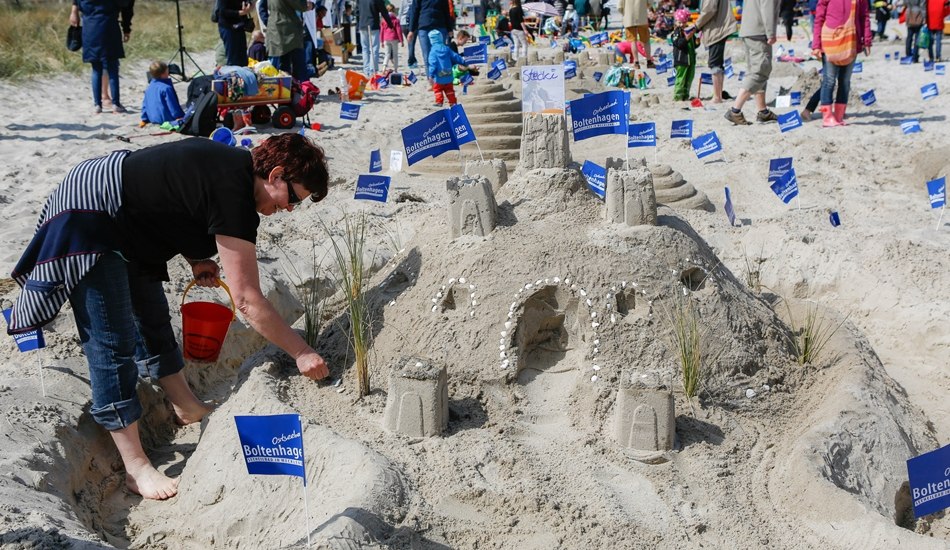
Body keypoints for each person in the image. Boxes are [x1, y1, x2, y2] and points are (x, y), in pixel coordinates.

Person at [6, 134, 331, 501]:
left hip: (130, 220)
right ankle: (135, 467)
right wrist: (302, 351)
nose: (289, 209)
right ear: (274, 175)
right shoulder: (234, 191)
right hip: (91, 215)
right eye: (293, 199)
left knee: (152, 315)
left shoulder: (232, 172)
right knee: (111, 341)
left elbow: (174, 201)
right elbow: (247, 300)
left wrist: (196, 259)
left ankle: (186, 405)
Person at [812, 0, 871, 126]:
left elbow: (864, 17)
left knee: (845, 81)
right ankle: (827, 117)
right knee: (829, 80)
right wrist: (816, 45)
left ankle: (839, 116)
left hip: (851, 42)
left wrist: (867, 40)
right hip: (830, 41)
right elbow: (819, 17)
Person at [70, 0, 133, 114]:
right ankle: (115, 104)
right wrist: (126, 29)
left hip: (90, 28)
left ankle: (97, 105)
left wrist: (74, 11)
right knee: (113, 69)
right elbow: (126, 7)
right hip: (110, 27)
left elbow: (77, 4)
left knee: (96, 69)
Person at [724, 0, 779, 125]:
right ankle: (735, 111)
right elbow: (767, 9)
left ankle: (763, 111)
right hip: (759, 31)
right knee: (760, 71)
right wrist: (771, 33)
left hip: (749, 29)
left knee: (755, 71)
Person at [695, 0, 738, 103]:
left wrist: (696, 26)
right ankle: (718, 94)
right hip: (720, 27)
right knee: (718, 63)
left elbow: (710, 10)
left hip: (717, 29)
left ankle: (717, 97)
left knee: (714, 64)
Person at [267, 0, 314, 81]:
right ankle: (303, 88)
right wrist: (311, 5)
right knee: (299, 64)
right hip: (289, 31)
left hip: (275, 29)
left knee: (283, 65)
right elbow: (301, 5)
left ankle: (289, 89)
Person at [409, 0, 456, 72]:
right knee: (427, 55)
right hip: (424, 26)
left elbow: (446, 11)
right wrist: (411, 30)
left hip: (440, 26)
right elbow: (414, 10)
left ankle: (439, 78)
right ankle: (431, 79)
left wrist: (449, 29)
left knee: (439, 53)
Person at [427, 29, 468, 106]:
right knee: (449, 89)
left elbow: (432, 63)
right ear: (441, 38)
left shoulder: (433, 51)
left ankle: (439, 102)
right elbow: (455, 56)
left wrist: (431, 74)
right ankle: (452, 102)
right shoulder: (446, 48)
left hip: (439, 75)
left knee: (437, 89)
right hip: (448, 73)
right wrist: (464, 62)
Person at [140, 61, 185, 127]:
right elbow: (172, 106)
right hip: (165, 120)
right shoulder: (166, 88)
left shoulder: (149, 87)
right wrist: (179, 117)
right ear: (163, 73)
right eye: (167, 71)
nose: (168, 73)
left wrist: (144, 119)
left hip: (152, 119)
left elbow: (145, 105)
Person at [357, 0, 393, 75]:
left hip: (362, 24)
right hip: (373, 25)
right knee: (374, 49)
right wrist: (390, 24)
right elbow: (384, 12)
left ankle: (366, 69)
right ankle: (372, 70)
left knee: (365, 49)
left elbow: (358, 11)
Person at [671, 9, 699, 101]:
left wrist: (697, 42)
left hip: (690, 60)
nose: (682, 24)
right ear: (676, 22)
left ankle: (685, 95)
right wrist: (686, 38)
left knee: (689, 79)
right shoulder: (676, 32)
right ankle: (678, 97)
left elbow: (693, 45)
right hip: (681, 61)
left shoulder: (688, 31)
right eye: (680, 22)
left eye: (683, 22)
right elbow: (678, 44)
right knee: (681, 79)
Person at [217, 0, 254, 67]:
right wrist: (239, 13)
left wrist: (248, 4)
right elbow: (222, 11)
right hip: (228, 27)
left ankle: (243, 74)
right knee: (233, 58)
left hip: (240, 26)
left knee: (243, 57)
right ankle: (233, 75)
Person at [619, 0, 654, 67]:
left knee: (633, 41)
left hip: (629, 18)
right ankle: (649, 61)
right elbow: (650, 3)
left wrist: (625, 13)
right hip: (642, 17)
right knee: (646, 40)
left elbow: (620, 6)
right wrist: (643, 8)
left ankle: (636, 62)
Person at [380, 3, 404, 70]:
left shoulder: (383, 20)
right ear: (393, 10)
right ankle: (395, 69)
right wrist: (401, 40)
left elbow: (381, 31)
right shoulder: (396, 20)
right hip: (394, 38)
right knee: (395, 54)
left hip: (386, 39)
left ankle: (384, 67)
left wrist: (381, 41)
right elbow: (399, 31)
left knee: (387, 54)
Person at [397, 0, 419, 68]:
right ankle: (411, 61)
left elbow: (400, 12)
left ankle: (413, 59)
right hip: (413, 22)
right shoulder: (415, 1)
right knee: (412, 43)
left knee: (409, 43)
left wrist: (398, 22)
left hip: (403, 22)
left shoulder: (403, 1)